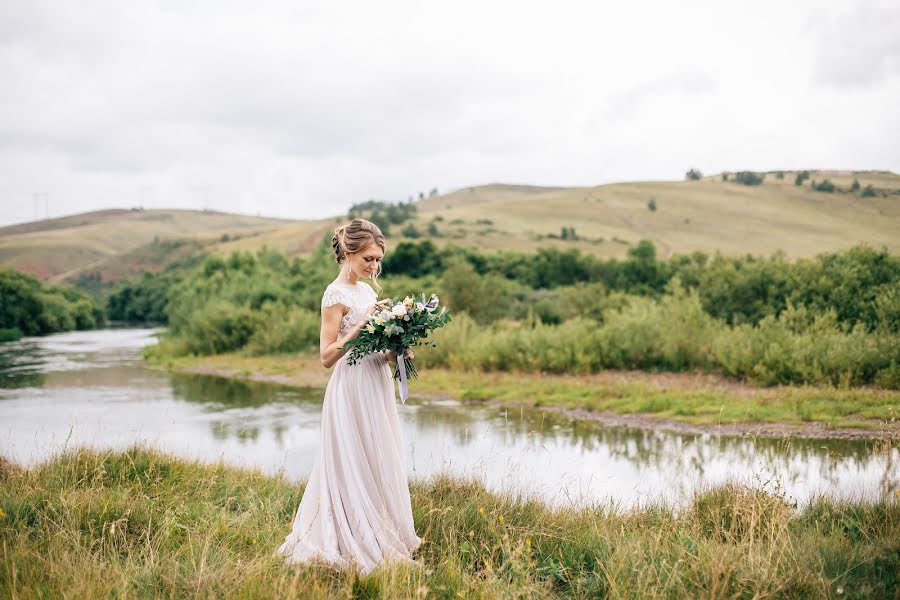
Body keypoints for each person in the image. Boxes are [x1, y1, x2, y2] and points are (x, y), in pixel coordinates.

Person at [275, 218, 422, 575]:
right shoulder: (334, 295)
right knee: (351, 461)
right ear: (348, 253)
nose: (374, 266)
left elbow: (376, 346)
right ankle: (352, 539)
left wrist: (397, 350)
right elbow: (326, 356)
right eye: (368, 259)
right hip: (350, 387)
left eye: (378, 260)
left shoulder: (369, 293)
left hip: (376, 383)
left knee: (378, 457)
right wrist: (362, 325)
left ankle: (381, 532)